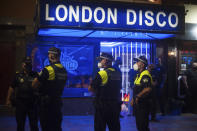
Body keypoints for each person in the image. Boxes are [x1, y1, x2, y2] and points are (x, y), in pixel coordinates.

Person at [32, 47, 67, 131]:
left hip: (47, 106)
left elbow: (34, 85)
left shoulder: (48, 69)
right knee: (57, 127)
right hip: (57, 104)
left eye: (49, 54)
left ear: (52, 55)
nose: (48, 56)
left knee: (46, 127)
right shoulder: (64, 70)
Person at [88, 52, 122, 131]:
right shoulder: (118, 73)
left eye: (101, 60)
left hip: (102, 106)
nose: (100, 62)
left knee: (99, 127)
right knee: (114, 127)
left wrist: (91, 83)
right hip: (115, 105)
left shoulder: (102, 73)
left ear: (106, 61)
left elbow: (91, 89)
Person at [6, 57, 39, 131]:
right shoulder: (18, 75)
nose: (27, 65)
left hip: (32, 104)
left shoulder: (35, 75)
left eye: (28, 63)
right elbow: (11, 87)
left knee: (34, 125)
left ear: (31, 65)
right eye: (25, 63)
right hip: (21, 103)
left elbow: (41, 87)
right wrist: (8, 99)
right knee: (20, 125)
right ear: (22, 64)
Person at [131, 56, 152, 131]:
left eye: (137, 62)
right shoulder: (139, 75)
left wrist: (137, 96)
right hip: (139, 105)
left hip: (143, 104)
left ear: (142, 65)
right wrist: (133, 99)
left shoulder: (145, 75)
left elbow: (148, 88)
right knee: (139, 125)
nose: (136, 63)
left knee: (143, 126)